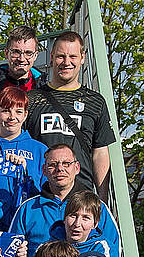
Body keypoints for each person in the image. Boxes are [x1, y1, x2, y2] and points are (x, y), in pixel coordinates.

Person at [2, 145, 120, 257]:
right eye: (52, 165)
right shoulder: (28, 208)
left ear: (77, 167)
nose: (59, 169)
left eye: (66, 164)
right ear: (44, 170)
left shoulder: (96, 207)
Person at [23, 31, 116, 192]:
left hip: (80, 198)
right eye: (61, 56)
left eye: (72, 56)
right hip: (38, 194)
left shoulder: (95, 101)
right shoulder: (32, 99)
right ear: (51, 57)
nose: (66, 62)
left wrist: (102, 198)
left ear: (82, 58)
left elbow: (100, 153)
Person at [0, 85, 48, 207]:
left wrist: (26, 173)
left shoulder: (40, 150)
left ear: (25, 115)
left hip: (28, 219)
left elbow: (48, 193)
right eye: (6, 111)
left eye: (18, 112)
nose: (12, 117)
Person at [0, 26, 44, 148]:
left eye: (28, 53)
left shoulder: (44, 90)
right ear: (6, 53)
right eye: (16, 52)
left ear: (36, 55)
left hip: (33, 159)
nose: (22, 59)